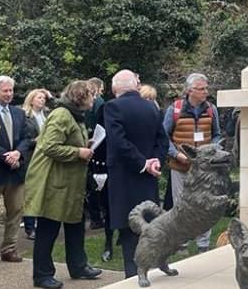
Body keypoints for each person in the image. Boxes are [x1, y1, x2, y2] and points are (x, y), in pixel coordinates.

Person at [23, 80, 102, 289]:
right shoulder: (61, 115)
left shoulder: (75, 115)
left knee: (75, 223)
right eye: (91, 95)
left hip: (70, 181)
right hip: (53, 180)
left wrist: (84, 145)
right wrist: (78, 152)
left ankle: (78, 266)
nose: (94, 99)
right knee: (49, 226)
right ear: (80, 97)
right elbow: (49, 146)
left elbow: (67, 141)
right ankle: (42, 275)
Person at [104, 70, 169, 278]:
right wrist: (155, 161)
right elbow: (162, 139)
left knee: (128, 227)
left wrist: (143, 163)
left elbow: (118, 141)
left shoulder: (112, 107)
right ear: (135, 86)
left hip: (125, 177)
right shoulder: (151, 106)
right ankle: (148, 269)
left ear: (115, 89)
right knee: (147, 226)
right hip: (148, 177)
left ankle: (132, 274)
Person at [162, 73, 222, 250]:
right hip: (180, 166)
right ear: (189, 90)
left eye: (206, 88)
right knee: (181, 205)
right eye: (201, 88)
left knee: (205, 205)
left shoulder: (211, 109)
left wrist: (213, 149)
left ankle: (203, 244)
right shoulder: (174, 110)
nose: (205, 91)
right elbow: (163, 136)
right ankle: (182, 242)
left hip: (205, 169)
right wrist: (175, 154)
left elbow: (217, 134)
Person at [0, 76, 32, 263]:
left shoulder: (18, 113)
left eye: (11, 90)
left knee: (16, 211)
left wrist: (18, 153)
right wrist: (6, 157)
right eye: (5, 91)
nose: (9, 94)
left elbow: (27, 137)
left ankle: (9, 248)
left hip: (16, 170)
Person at [19, 88, 51, 240]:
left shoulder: (46, 115)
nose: (42, 100)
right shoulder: (24, 116)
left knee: (43, 192)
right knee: (31, 192)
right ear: (31, 99)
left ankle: (42, 223)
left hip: (45, 158)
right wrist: (35, 141)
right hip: (30, 157)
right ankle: (30, 227)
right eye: (39, 98)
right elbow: (21, 139)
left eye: (44, 98)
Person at [84, 77, 106, 230]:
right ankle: (97, 217)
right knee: (95, 185)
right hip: (96, 146)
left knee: (91, 184)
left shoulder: (88, 103)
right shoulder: (99, 103)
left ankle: (95, 217)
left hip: (88, 143)